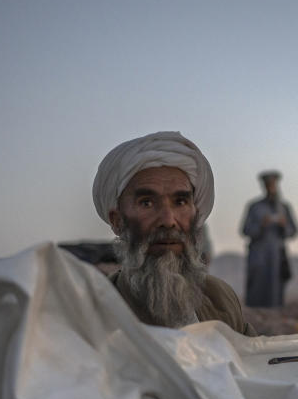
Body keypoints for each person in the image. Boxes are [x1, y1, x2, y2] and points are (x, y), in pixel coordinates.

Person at [91, 131, 255, 335]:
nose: (168, 221)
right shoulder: (91, 316)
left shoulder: (221, 299)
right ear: (117, 221)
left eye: (180, 202)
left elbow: (256, 364)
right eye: (147, 203)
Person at [241, 170, 298, 307]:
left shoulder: (284, 207)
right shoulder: (254, 207)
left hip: (277, 256)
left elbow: (294, 231)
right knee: (256, 291)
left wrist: (284, 225)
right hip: (258, 256)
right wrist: (261, 225)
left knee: (276, 293)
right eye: (268, 185)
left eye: (273, 184)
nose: (271, 187)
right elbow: (245, 230)